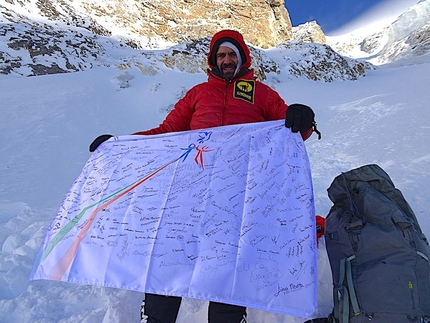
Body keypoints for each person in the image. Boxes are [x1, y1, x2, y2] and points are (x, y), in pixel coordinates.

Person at [90, 29, 320, 323]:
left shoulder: (262, 94)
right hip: (192, 191)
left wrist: (303, 117)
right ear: (213, 60)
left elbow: (291, 128)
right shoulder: (198, 94)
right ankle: (157, 318)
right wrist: (121, 145)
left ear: (242, 58)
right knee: (170, 253)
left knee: (227, 262)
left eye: (232, 54)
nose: (226, 60)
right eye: (221, 54)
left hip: (239, 194)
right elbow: (166, 133)